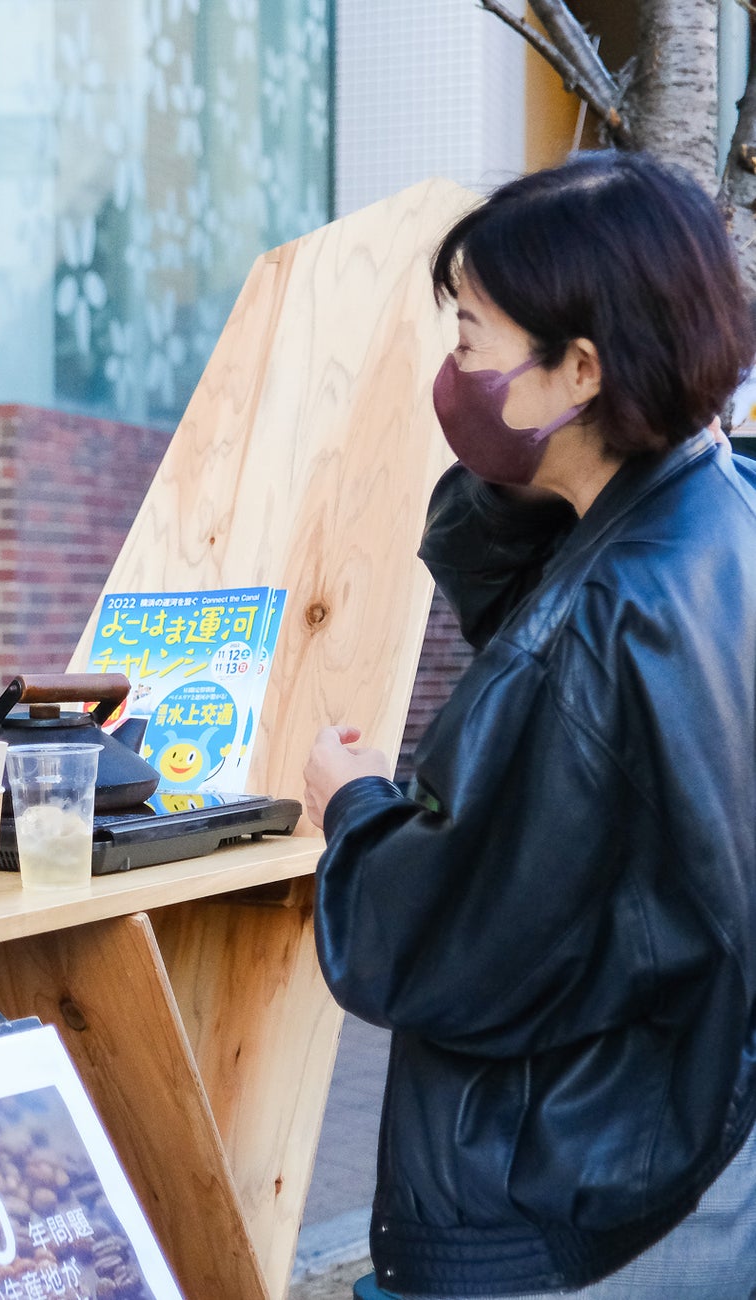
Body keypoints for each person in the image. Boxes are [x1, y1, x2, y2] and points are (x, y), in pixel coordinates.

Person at [303, 150, 756, 1299]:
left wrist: (351, 804)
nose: (451, 370)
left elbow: (432, 935)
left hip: (583, 1186)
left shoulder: (590, 636)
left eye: (470, 339)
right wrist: (521, 468)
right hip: (703, 1121)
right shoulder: (717, 515)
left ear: (581, 371)